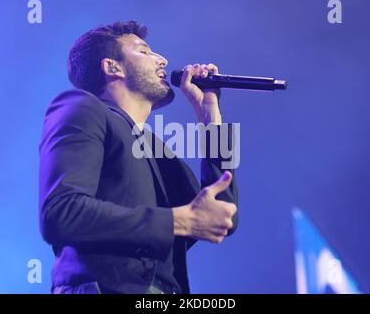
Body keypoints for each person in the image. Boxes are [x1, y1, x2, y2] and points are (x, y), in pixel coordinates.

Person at [38, 20, 238, 294]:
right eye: (144, 51)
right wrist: (176, 221)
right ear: (112, 67)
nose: (162, 59)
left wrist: (210, 117)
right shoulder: (82, 108)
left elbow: (223, 217)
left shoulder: (155, 148)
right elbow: (61, 213)